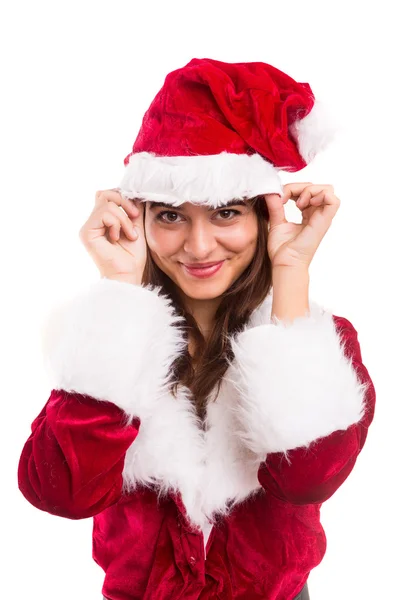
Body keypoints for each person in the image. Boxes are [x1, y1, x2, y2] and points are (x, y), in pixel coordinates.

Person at [17, 58, 376, 600]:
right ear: (139, 218)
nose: (199, 246)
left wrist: (291, 276)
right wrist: (120, 293)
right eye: (170, 216)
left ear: (264, 216)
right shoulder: (109, 339)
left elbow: (309, 479)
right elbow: (60, 492)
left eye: (226, 213)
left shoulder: (317, 337)